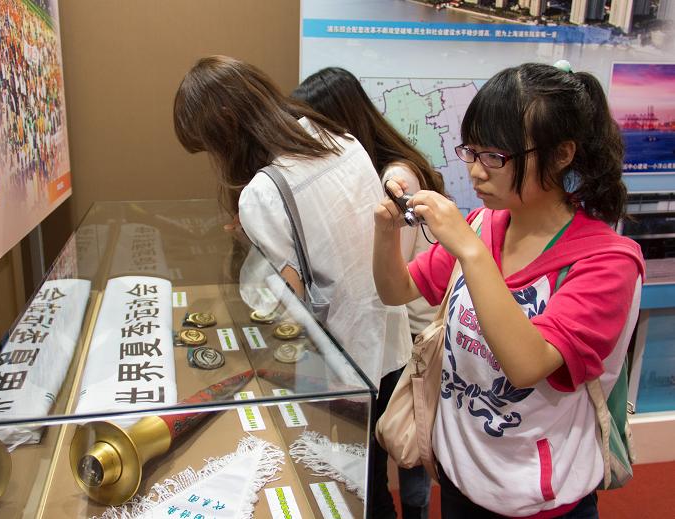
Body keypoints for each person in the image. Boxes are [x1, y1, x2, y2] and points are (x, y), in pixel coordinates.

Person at [373, 62, 644, 518]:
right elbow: (396, 290)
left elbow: (527, 365)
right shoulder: (484, 223)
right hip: (458, 477)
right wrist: (385, 230)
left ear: (562, 154)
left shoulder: (607, 261)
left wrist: (469, 250)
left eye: (495, 157)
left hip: (537, 499)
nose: (476, 172)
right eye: (471, 151)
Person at [173, 55, 411, 406]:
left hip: (339, 361)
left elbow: (282, 305)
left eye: (211, 146)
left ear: (226, 126)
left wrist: (248, 247)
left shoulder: (262, 192)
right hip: (391, 338)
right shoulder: (341, 139)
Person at [292, 67, 445, 519]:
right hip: (396, 331)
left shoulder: (393, 178)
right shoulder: (377, 171)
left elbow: (387, 273)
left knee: (401, 448)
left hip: (409, 336)